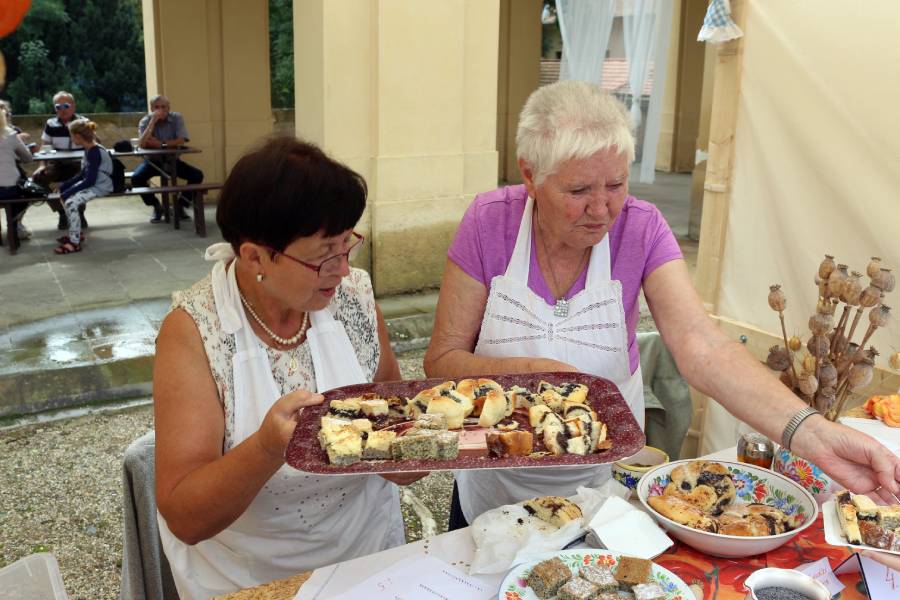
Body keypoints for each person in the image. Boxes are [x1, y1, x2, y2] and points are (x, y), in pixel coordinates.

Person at [424, 80, 900, 528]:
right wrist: (542, 374)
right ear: (530, 175)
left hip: (601, 486)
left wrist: (812, 433)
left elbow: (703, 346)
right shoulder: (490, 223)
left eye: (615, 185)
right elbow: (442, 361)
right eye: (578, 191)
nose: (602, 209)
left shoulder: (642, 227)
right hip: (492, 479)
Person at [153, 137, 419, 599]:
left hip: (365, 555)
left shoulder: (353, 296)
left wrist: (426, 442)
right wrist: (266, 447)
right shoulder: (194, 332)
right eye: (323, 256)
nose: (342, 269)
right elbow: (186, 516)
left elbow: (399, 425)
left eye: (347, 245)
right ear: (255, 256)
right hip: (250, 579)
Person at [132, 95, 203, 223]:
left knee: (197, 175)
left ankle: (180, 206)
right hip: (153, 162)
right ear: (151, 108)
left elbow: (181, 139)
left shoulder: (176, 118)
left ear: (169, 108)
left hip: (172, 162)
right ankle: (156, 206)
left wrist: (160, 144)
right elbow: (142, 144)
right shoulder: (145, 120)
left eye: (163, 107)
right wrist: (152, 123)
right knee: (136, 179)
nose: (160, 110)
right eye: (156, 107)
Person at [53, 119, 113, 254]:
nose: (71, 138)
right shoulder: (89, 149)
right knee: (68, 199)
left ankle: (74, 243)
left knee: (70, 203)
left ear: (78, 136)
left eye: (71, 135)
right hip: (96, 183)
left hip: (101, 186)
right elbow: (82, 174)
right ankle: (76, 234)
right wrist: (65, 187)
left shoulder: (94, 151)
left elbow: (90, 180)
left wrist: (69, 192)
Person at [32, 91, 88, 230]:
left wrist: (87, 132)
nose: (62, 110)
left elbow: (94, 145)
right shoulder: (51, 123)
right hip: (56, 163)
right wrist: (41, 165)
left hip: (77, 162)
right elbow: (44, 146)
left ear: (73, 106)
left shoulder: (83, 121)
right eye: (58, 107)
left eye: (66, 106)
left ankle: (79, 213)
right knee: (38, 179)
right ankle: (62, 212)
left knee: (82, 178)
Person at [0, 99, 33, 239]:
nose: (7, 117)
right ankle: (14, 223)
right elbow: (27, 158)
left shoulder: (14, 131)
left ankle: (16, 223)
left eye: (9, 114)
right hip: (9, 180)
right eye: (5, 114)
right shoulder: (12, 134)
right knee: (29, 190)